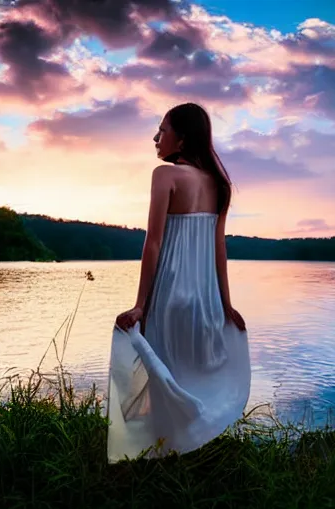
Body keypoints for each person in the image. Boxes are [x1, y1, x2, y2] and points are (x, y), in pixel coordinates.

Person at [107, 102, 251, 463]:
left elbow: (153, 242)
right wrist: (226, 305)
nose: (156, 138)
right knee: (194, 376)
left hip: (170, 294)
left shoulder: (164, 176)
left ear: (182, 139)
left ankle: (158, 454)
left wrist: (141, 304)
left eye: (163, 131)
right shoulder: (219, 184)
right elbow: (220, 248)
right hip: (204, 301)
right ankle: (193, 451)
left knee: (164, 378)